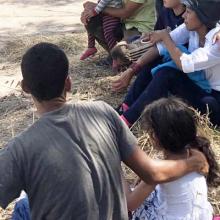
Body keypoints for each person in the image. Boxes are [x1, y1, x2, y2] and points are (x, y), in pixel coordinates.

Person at [0, 43, 208, 219]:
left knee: (22, 207)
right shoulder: (103, 112)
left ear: (25, 88)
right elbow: (152, 173)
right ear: (69, 83)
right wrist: (191, 163)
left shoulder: (19, 149)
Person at [113, 0, 220, 127]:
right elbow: (160, 48)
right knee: (158, 60)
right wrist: (132, 69)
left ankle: (124, 123)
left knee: (167, 74)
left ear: (203, 18)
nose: (184, 15)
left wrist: (165, 36)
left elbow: (185, 64)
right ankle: (126, 107)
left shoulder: (216, 41)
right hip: (198, 85)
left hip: (213, 102)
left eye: (189, 12)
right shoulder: (192, 28)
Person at [124, 97, 220, 220]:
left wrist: (116, 171)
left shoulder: (161, 171)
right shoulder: (197, 153)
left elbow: (130, 204)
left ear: (154, 136)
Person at [111, 0, 186, 71]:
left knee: (158, 70)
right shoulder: (165, 11)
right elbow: (157, 32)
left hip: (171, 55)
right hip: (156, 46)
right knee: (118, 50)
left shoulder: (188, 20)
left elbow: (125, 12)